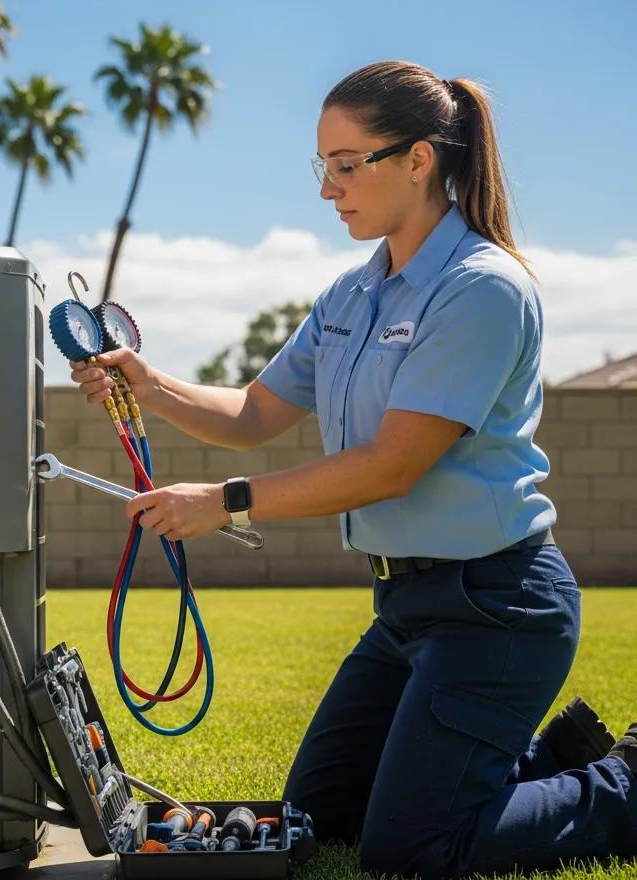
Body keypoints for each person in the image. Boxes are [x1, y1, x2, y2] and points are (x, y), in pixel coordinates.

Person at [69, 60, 637, 878]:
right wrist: (146, 383)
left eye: (346, 164)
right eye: (322, 167)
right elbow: (255, 415)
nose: (329, 188)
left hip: (496, 609)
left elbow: (393, 467)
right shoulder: (350, 293)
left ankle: (620, 784)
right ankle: (545, 759)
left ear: (418, 160)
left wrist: (225, 504)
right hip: (403, 609)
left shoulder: (483, 289)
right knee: (318, 816)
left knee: (411, 851)